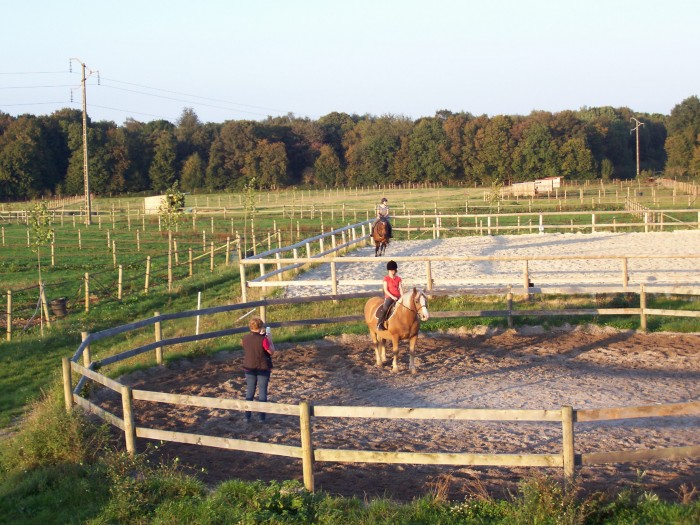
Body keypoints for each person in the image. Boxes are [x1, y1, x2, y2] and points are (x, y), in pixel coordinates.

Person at [242, 317, 275, 422]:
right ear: (260, 327)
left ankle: (247, 416)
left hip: (249, 366)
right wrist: (270, 339)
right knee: (262, 391)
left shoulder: (245, 338)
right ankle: (261, 417)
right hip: (262, 367)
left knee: (250, 391)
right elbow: (271, 351)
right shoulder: (263, 339)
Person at [376, 260, 403, 331]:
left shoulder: (398, 279)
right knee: (385, 307)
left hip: (398, 297)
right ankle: (379, 324)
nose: (392, 271)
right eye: (391, 270)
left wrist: (402, 297)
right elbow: (385, 290)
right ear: (388, 270)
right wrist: (392, 297)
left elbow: (400, 288)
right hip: (390, 297)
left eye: (394, 270)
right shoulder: (386, 279)